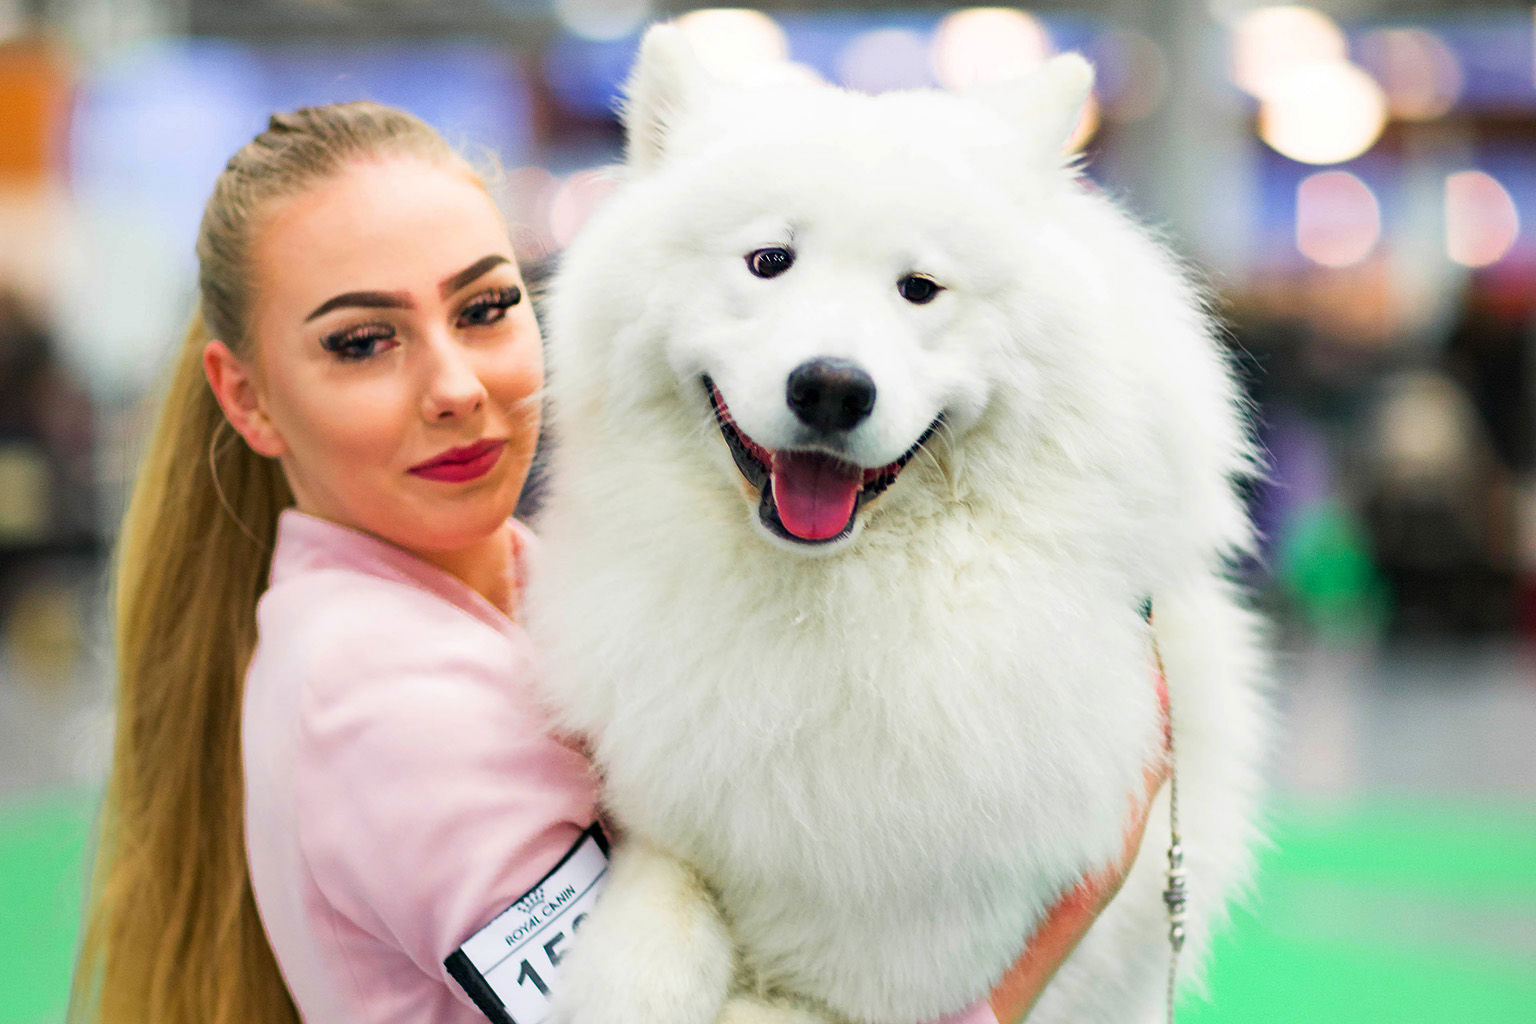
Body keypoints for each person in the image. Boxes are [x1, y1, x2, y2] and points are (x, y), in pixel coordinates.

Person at [70, 100, 1165, 1024]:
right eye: (364, 341)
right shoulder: (384, 700)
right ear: (248, 396)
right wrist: (1060, 921)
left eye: (485, 307)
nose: (456, 385)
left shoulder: (531, 582)